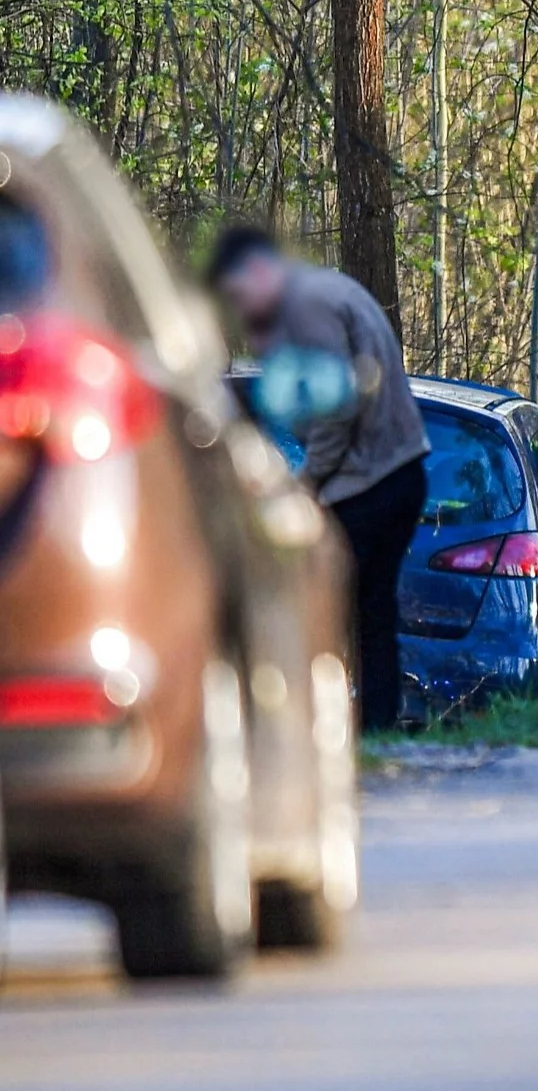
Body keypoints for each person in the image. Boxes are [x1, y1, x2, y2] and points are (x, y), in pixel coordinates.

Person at [207, 227, 430, 731]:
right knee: (371, 612)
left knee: (327, 610)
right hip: (399, 471)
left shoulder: (305, 305)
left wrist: (306, 485)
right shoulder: (333, 290)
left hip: (365, 483)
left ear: (259, 270)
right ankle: (375, 724)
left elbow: (335, 407)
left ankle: (328, 727)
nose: (245, 313)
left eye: (242, 296)